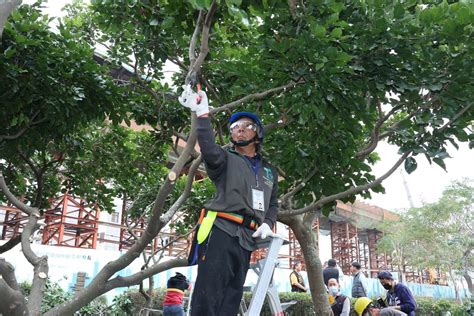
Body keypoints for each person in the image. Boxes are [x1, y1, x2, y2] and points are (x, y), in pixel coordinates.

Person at [179, 85, 279, 316]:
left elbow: (273, 203)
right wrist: (202, 114)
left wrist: (268, 222)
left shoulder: (269, 172)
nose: (239, 130)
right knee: (207, 298)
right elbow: (208, 148)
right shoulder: (225, 159)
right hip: (222, 231)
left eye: (246, 126)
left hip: (247, 239)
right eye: (235, 127)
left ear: (258, 133)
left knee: (230, 301)